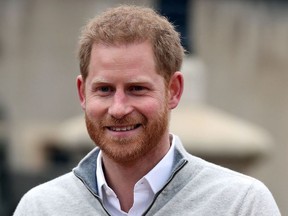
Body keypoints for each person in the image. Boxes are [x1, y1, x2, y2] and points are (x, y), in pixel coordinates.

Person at [14, 5, 280, 216]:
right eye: (104, 89)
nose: (118, 109)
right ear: (82, 92)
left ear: (174, 90)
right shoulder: (39, 208)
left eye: (137, 89)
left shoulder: (241, 205)